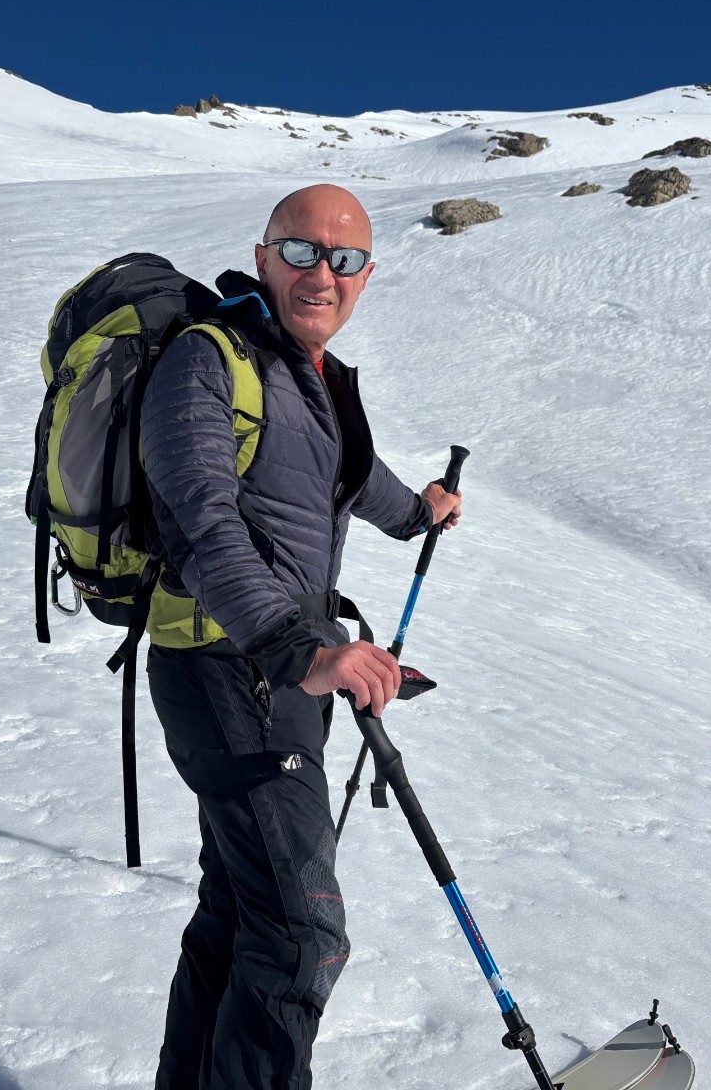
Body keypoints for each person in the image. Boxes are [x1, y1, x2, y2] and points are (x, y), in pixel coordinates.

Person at [138, 184, 462, 1089]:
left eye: (345, 258)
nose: (324, 273)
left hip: (287, 677)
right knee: (300, 935)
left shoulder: (312, 378)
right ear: (263, 255)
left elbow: (354, 478)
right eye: (302, 251)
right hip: (225, 668)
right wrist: (299, 649)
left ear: (366, 275)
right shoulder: (208, 361)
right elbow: (201, 521)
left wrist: (423, 512)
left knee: (242, 911)